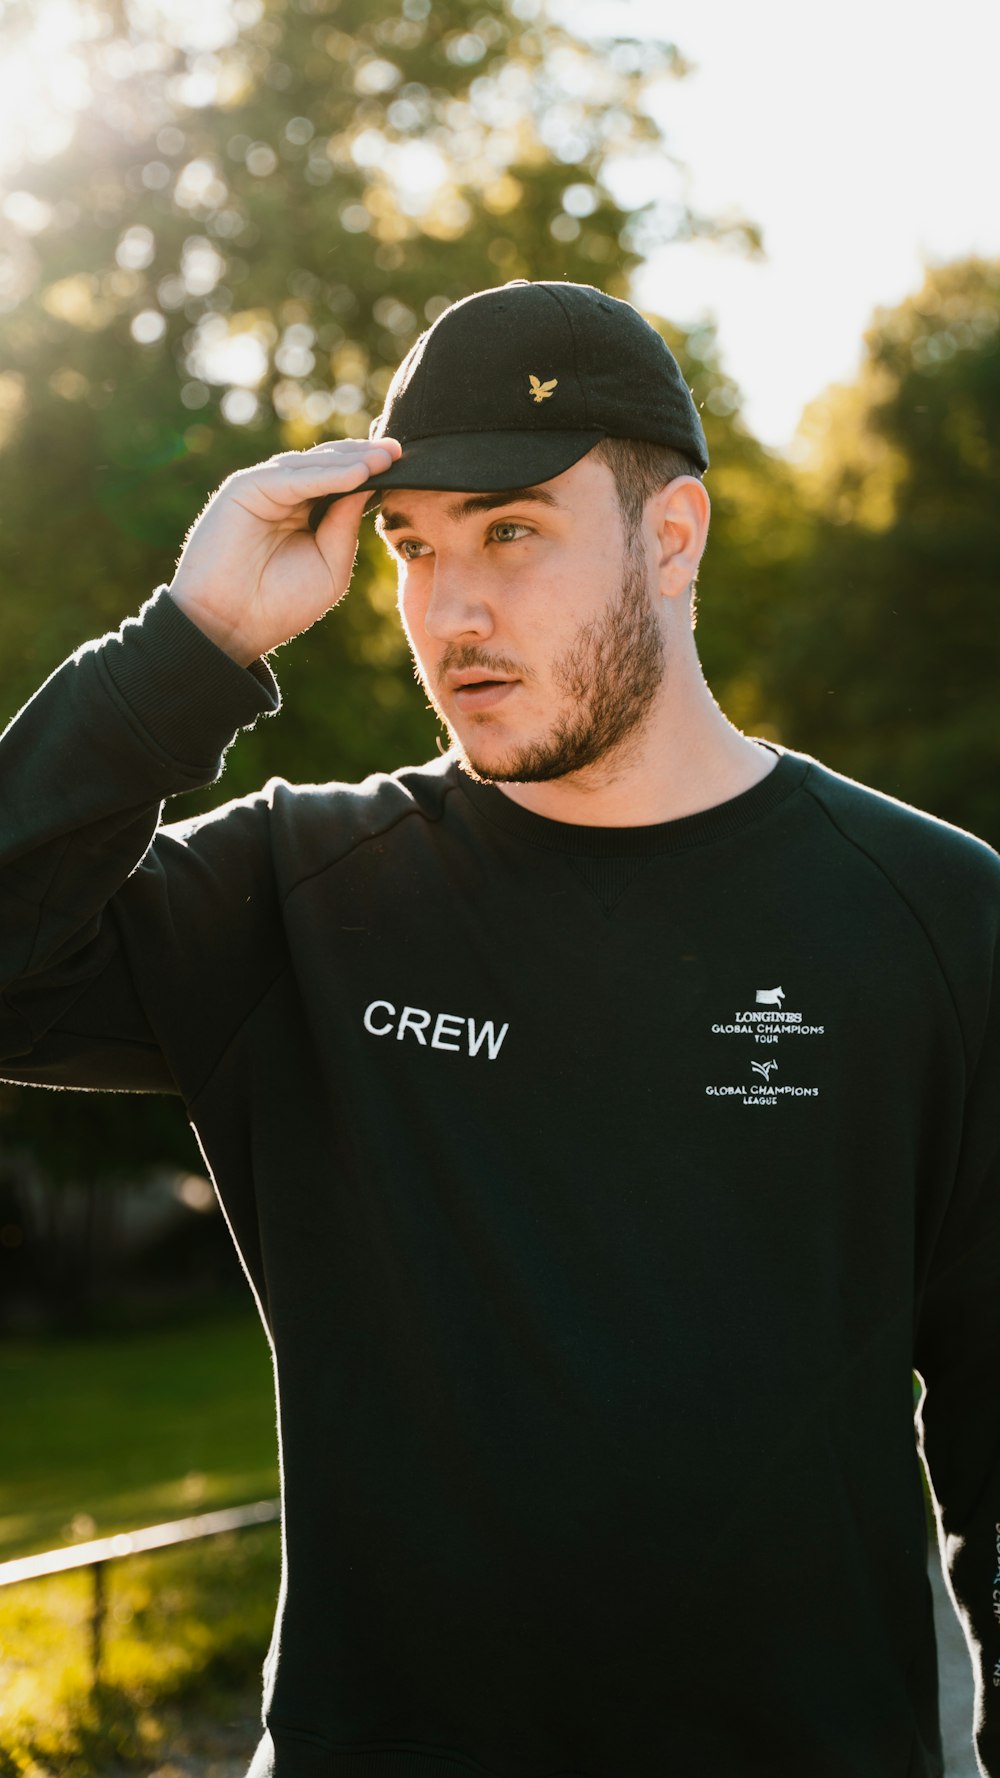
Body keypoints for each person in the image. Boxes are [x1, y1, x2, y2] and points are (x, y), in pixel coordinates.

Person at [1, 278, 998, 1778]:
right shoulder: (304, 891)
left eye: (513, 532)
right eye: (414, 548)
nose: (451, 611)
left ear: (673, 539)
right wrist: (190, 640)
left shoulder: (936, 916)